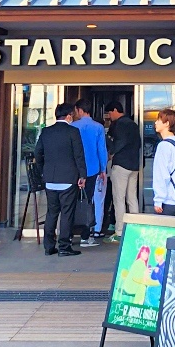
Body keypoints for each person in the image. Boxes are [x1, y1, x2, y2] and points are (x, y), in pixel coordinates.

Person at [34, 102, 87, 257]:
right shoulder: (73, 132)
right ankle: (64, 246)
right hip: (69, 179)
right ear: (69, 116)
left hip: (50, 179)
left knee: (51, 213)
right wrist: (82, 176)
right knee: (67, 213)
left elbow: (38, 153)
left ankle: (49, 247)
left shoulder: (46, 132)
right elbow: (79, 155)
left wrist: (43, 170)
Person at [72, 99, 109, 246]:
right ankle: (86, 236)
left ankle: (69, 234)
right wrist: (102, 169)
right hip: (93, 169)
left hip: (75, 169)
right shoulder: (98, 127)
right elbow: (102, 150)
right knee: (89, 201)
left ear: (80, 110)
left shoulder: (73, 126)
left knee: (73, 201)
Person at [105, 100, 141, 241]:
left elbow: (119, 142)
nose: (109, 117)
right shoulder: (133, 124)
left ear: (115, 110)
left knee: (119, 199)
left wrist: (111, 153)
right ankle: (136, 227)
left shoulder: (119, 124)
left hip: (121, 165)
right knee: (132, 198)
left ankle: (120, 231)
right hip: (133, 165)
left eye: (109, 113)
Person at [151, 108, 175, 217]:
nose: (156, 122)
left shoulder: (163, 146)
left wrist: (158, 200)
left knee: (164, 233)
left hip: (169, 200)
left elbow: (161, 175)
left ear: (167, 123)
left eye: (159, 120)